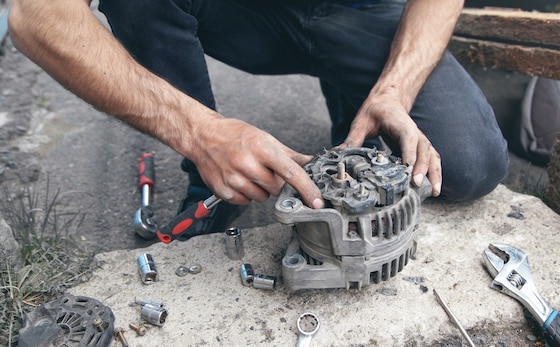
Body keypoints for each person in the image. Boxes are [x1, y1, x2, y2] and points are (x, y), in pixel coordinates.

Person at [8, 0, 508, 238]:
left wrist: (394, 89)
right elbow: (36, 15)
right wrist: (201, 134)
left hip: (360, 13)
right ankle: (210, 188)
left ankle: (358, 107)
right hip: (247, 19)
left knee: (468, 166)